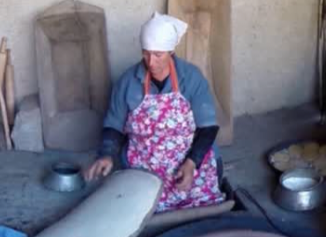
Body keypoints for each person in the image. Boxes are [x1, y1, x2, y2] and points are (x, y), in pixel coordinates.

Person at [83, 13, 224, 212]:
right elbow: (114, 125)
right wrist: (106, 155)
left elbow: (208, 127)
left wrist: (192, 164)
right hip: (146, 163)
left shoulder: (191, 78)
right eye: (146, 53)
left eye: (158, 55)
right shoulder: (128, 82)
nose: (151, 61)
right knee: (138, 208)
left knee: (203, 201)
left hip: (189, 159)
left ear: (171, 53)